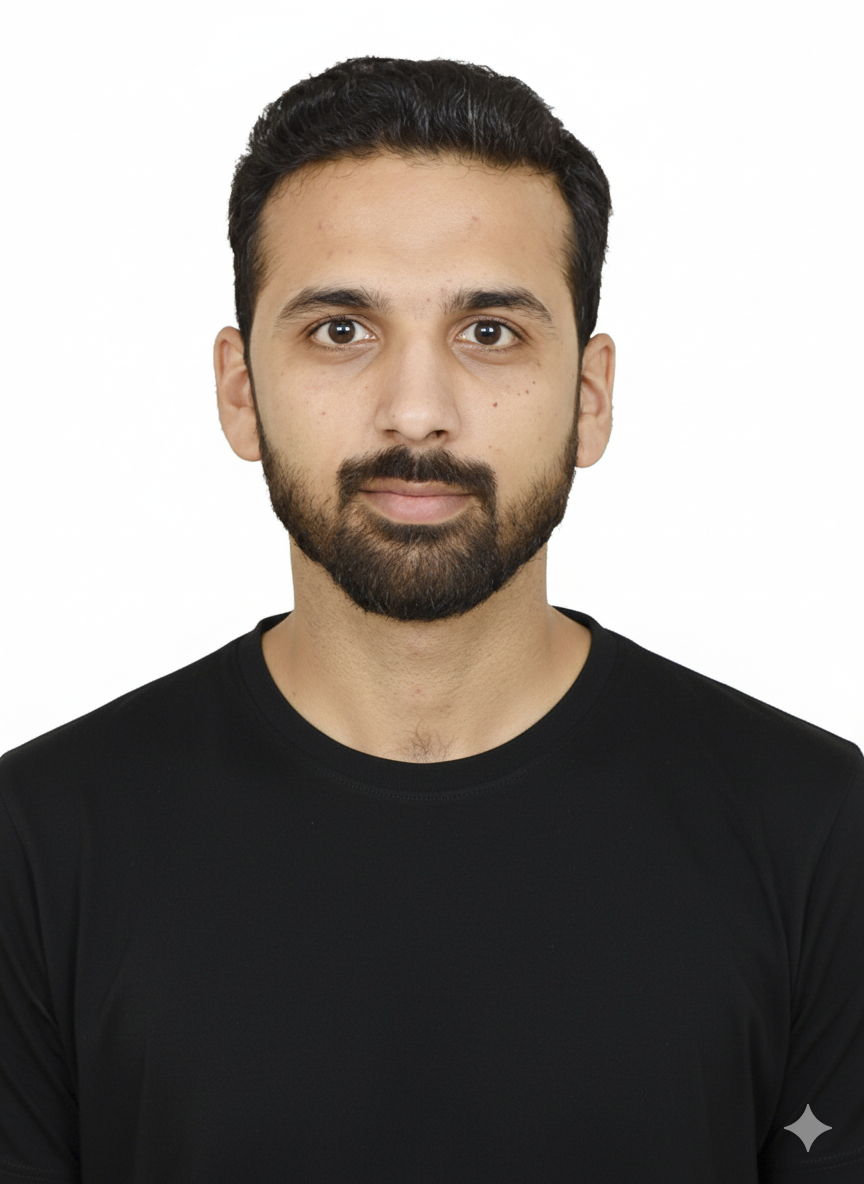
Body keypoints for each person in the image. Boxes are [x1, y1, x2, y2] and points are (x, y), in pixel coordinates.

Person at [0, 56, 861, 1184]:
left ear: (591, 396)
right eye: (341, 330)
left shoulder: (819, 833)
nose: (416, 412)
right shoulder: (37, 845)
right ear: (240, 390)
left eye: (489, 332)